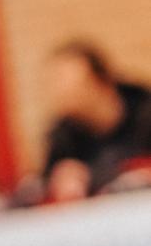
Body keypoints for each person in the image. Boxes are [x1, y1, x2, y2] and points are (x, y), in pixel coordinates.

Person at [40, 41, 151, 199]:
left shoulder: (145, 111)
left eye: (73, 84)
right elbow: (46, 182)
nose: (61, 92)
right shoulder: (64, 134)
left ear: (101, 81)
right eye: (55, 82)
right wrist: (59, 180)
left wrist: (92, 176)